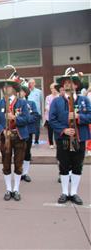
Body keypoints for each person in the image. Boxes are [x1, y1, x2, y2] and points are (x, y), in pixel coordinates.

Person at [49, 68, 91, 205]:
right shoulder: (56, 101)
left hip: (80, 137)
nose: (68, 85)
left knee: (77, 165)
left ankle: (74, 192)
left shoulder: (84, 100)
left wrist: (79, 117)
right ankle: (65, 192)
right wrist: (64, 130)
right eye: (66, 83)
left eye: (71, 82)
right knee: (64, 165)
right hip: (63, 138)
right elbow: (52, 120)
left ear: (76, 85)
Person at [0, 74, 29, 201]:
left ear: (14, 88)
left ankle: (16, 189)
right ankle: (8, 189)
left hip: (19, 136)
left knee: (19, 164)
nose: (5, 88)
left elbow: (27, 119)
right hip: (5, 137)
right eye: (4, 86)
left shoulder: (22, 103)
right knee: (6, 163)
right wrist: (2, 131)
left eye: (8, 86)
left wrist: (15, 118)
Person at [20, 85, 40, 183]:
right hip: (18, 131)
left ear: (26, 93)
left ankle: (25, 173)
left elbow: (36, 115)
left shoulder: (31, 103)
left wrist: (26, 120)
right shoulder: (15, 103)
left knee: (27, 151)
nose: (20, 93)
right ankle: (18, 170)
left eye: (22, 91)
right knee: (18, 151)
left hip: (28, 130)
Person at [27, 78, 43, 145]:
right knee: (29, 127)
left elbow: (41, 102)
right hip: (29, 113)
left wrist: (41, 113)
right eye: (30, 83)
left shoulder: (39, 92)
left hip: (37, 112)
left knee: (37, 127)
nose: (31, 84)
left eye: (32, 83)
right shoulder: (27, 92)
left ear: (35, 83)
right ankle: (29, 139)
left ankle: (36, 140)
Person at [44, 83, 59, 149]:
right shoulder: (48, 97)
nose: (54, 90)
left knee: (57, 130)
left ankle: (57, 142)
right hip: (49, 117)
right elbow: (47, 106)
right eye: (52, 88)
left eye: (55, 88)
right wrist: (53, 110)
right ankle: (51, 143)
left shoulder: (59, 96)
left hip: (58, 117)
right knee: (50, 131)